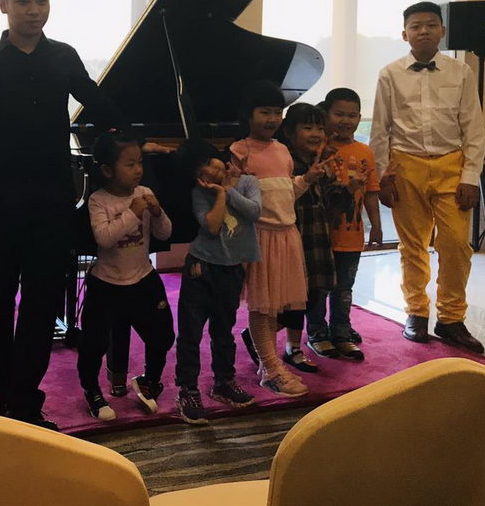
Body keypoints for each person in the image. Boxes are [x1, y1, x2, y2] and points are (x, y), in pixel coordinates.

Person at [0, 0, 167, 428]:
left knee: (43, 301)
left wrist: (135, 138)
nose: (33, 10)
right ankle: (3, 393)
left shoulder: (64, 57)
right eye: (23, 1)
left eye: (41, 0)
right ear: (3, 4)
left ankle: (27, 399)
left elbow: (99, 103)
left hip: (52, 198)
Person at [370, 1, 485, 353]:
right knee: (412, 245)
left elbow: (473, 128)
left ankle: (451, 318)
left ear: (442, 31)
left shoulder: (461, 72)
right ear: (405, 34)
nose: (424, 31)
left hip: (452, 165)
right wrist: (381, 177)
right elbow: (380, 130)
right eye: (416, 26)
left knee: (456, 244)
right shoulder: (390, 73)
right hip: (406, 166)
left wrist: (471, 176)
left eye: (431, 25)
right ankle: (416, 313)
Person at [231, 81, 328, 398]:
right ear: (248, 114)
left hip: (287, 236)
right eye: (265, 112)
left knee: (275, 307)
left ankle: (268, 365)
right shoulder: (239, 151)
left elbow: (287, 194)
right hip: (261, 238)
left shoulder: (283, 150)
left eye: (277, 112)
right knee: (263, 307)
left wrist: (306, 180)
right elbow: (234, 202)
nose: (272, 119)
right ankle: (271, 370)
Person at [77, 131, 174, 422]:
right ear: (108, 170)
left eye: (140, 162)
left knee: (163, 335)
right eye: (130, 164)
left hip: (143, 278)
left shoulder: (144, 192)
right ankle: (92, 390)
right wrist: (132, 212)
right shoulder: (98, 200)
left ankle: (149, 380)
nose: (138, 170)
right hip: (106, 283)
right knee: (93, 343)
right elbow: (104, 238)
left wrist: (157, 212)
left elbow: (165, 233)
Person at [173, 138, 261, 425]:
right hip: (201, 266)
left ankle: (223, 381)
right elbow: (211, 227)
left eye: (210, 162)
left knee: (224, 330)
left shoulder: (247, 183)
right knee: (191, 331)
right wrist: (220, 195)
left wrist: (228, 190)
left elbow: (254, 212)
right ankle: (188, 389)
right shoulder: (201, 193)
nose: (209, 171)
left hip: (232, 269)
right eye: (201, 169)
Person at [310, 87, 382, 360]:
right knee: (318, 288)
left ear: (360, 118)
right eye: (339, 114)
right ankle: (317, 333)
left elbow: (371, 192)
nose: (345, 120)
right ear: (326, 114)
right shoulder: (319, 150)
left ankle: (341, 331)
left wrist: (376, 225)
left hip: (351, 235)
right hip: (321, 235)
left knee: (344, 288)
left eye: (352, 115)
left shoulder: (365, 151)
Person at [276, 103, 342, 372]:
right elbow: (280, 198)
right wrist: (307, 177)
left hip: (317, 235)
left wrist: (348, 186)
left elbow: (332, 200)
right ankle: (286, 344)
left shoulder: (321, 159)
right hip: (293, 234)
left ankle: (272, 338)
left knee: (314, 293)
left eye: (319, 128)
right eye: (307, 127)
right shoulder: (284, 160)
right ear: (289, 132)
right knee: (294, 297)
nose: (315, 133)